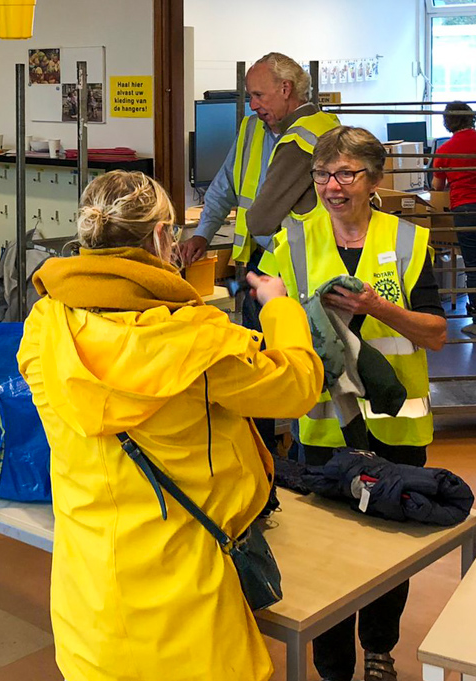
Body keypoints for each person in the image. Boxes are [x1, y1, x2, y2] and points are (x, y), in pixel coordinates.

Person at [18, 170, 323, 681]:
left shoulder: (44, 324)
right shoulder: (196, 343)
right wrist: (280, 308)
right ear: (162, 237)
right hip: (189, 612)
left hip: (90, 606)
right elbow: (297, 385)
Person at [261, 127, 446, 681]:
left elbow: (435, 333)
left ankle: (381, 651)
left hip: (399, 426)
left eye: (345, 174)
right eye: (321, 175)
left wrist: (375, 306)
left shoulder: (410, 241)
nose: (331, 187)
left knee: (390, 546)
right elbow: (274, 325)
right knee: (326, 554)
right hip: (323, 428)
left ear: (375, 179)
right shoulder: (291, 242)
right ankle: (333, 664)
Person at [184, 52, 339, 455]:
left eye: (258, 95)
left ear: (286, 90)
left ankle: (303, 458)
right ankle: (264, 454)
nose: (252, 104)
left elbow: (266, 214)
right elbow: (224, 185)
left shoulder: (316, 134)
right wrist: (203, 234)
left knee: (298, 366)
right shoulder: (253, 128)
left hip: (298, 272)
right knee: (258, 365)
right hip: (256, 266)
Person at [432, 101, 476, 336]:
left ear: (448, 122)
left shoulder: (444, 150)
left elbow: (437, 186)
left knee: (474, 267)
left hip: (466, 211)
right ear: (471, 118)